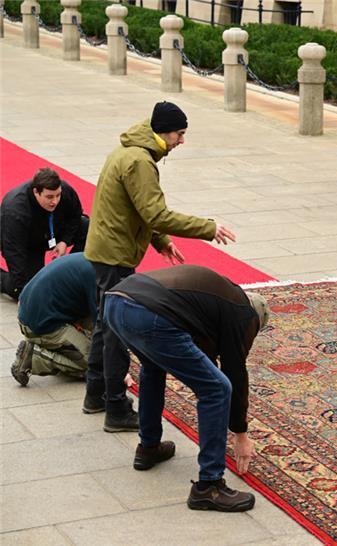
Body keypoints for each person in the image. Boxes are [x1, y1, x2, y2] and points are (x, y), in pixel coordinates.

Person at [83, 101, 237, 433]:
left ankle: (96, 393)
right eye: (179, 134)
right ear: (163, 132)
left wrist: (160, 241)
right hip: (115, 253)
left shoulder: (131, 151)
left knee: (105, 323)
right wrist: (208, 228)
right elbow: (156, 213)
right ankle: (115, 407)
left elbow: (137, 209)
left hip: (106, 248)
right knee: (115, 332)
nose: (182, 141)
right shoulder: (140, 161)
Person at [104, 265, 269, 512]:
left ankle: (149, 448)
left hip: (116, 303)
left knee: (153, 367)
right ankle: (209, 486)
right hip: (149, 312)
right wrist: (240, 434)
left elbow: (204, 356)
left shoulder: (218, 300)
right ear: (255, 321)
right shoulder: (243, 313)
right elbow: (234, 373)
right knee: (217, 388)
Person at [0, 167, 88, 301]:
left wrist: (64, 241)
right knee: (30, 289)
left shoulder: (65, 190)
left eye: (58, 195)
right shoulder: (15, 210)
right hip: (27, 243)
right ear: (36, 192)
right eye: (49, 197)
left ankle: (73, 274)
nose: (55, 201)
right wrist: (23, 291)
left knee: (87, 226)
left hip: (53, 232)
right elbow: (13, 252)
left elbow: (75, 216)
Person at [10, 253, 96, 386]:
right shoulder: (97, 275)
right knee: (95, 364)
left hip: (32, 313)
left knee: (95, 346)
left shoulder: (90, 259)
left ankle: (58, 348)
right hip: (41, 324)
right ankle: (34, 358)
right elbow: (102, 323)